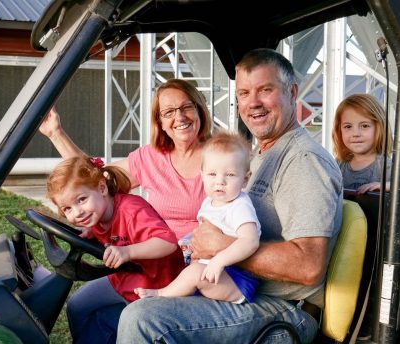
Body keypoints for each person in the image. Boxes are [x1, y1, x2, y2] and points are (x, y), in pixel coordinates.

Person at [116, 48, 344, 344]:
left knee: (142, 319)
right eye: (245, 93)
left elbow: (309, 266)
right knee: (137, 302)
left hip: (283, 310)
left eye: (266, 90)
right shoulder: (261, 155)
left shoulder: (302, 160)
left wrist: (220, 246)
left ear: (292, 93)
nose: (253, 103)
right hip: (243, 290)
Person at [39, 78, 211, 240]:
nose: (180, 117)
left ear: (199, 110)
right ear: (160, 122)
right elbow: (93, 177)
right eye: (169, 112)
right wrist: (55, 133)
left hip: (204, 263)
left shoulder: (221, 155)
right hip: (156, 260)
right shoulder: (151, 157)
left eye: (187, 107)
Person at [46, 156, 185, 344]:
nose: (77, 212)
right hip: (125, 279)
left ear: (102, 188)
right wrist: (91, 232)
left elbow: (167, 242)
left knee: (114, 322)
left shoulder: (131, 210)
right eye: (68, 208)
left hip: (155, 286)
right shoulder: (96, 215)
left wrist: (127, 252)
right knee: (77, 305)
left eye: (81, 199)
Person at [135, 131, 261, 303]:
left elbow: (250, 241)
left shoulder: (239, 206)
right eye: (212, 174)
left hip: (237, 279)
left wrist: (219, 261)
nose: (220, 181)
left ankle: (161, 295)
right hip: (214, 271)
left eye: (230, 175)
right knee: (182, 268)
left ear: (245, 179)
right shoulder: (210, 202)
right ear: (201, 175)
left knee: (194, 274)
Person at [332, 93, 400, 200]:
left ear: (379, 128)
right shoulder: (337, 165)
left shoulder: (384, 166)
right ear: (339, 131)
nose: (355, 133)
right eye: (348, 126)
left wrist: (386, 186)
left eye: (364, 126)